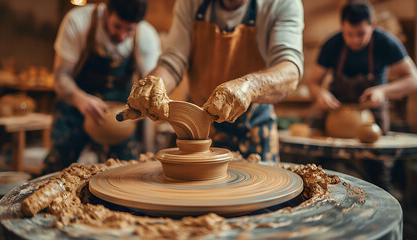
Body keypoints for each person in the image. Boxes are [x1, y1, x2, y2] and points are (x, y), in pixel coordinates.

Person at [117, 0, 304, 162]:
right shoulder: (191, 3)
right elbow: (174, 60)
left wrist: (249, 87)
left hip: (253, 125)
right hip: (198, 123)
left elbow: (290, 70)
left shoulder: (283, 4)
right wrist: (155, 83)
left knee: (260, 197)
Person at [42, 0, 161, 174]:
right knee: (57, 170)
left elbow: (152, 88)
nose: (122, 36)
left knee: (128, 173)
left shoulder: (146, 35)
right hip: (77, 107)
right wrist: (80, 99)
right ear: (106, 13)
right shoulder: (78, 21)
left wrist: (143, 115)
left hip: (120, 118)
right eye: (117, 26)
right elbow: (61, 76)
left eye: (129, 30)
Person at [308, 1, 417, 134]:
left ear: (372, 25)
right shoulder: (331, 45)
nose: (355, 40)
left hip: (372, 114)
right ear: (342, 27)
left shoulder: (386, 43)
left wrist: (383, 91)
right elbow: (313, 83)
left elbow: (413, 80)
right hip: (338, 111)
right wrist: (320, 94)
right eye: (349, 34)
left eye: (361, 33)